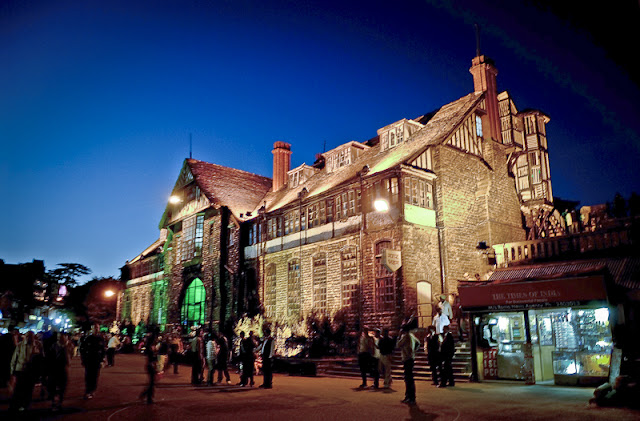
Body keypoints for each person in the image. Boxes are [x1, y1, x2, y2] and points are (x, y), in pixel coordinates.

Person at [9, 331, 38, 412]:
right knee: (19, 389)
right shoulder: (20, 345)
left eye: (31, 337)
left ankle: (25, 405)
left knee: (29, 389)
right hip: (20, 370)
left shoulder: (37, 345)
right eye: (27, 336)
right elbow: (14, 358)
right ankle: (17, 405)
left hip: (31, 371)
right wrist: (12, 371)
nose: (29, 338)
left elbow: (41, 358)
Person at [46, 332, 71, 411]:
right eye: (59, 337)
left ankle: (59, 401)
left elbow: (69, 358)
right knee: (52, 386)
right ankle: (54, 401)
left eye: (62, 337)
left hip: (64, 369)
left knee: (63, 386)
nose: (60, 338)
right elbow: (49, 357)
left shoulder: (69, 346)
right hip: (54, 369)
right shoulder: (53, 346)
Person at [79, 324, 106, 399]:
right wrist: (83, 359)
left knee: (95, 376)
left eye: (97, 328)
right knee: (88, 376)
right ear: (92, 329)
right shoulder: (88, 338)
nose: (96, 329)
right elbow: (82, 349)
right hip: (89, 360)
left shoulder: (101, 339)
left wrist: (102, 360)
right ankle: (88, 391)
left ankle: (92, 390)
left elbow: (103, 350)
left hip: (97, 361)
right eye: (95, 328)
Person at [397, 321, 420, 405]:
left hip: (407, 358)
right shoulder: (412, 336)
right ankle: (410, 396)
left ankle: (410, 397)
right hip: (411, 357)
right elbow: (418, 343)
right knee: (409, 378)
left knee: (408, 378)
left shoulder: (405, 336)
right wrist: (414, 351)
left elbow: (398, 344)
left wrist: (399, 335)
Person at [139, 332, 157, 404]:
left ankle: (147, 395)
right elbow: (152, 357)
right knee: (151, 382)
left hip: (151, 365)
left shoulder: (150, 347)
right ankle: (147, 396)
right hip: (151, 365)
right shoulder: (150, 347)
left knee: (152, 382)